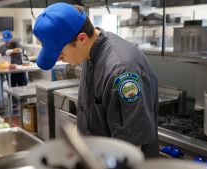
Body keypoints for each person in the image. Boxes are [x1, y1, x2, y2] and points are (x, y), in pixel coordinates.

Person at [33, 3, 159, 158]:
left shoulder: (122, 70)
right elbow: (87, 117)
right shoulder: (88, 54)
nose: (60, 59)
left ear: (81, 39)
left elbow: (130, 149)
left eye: (60, 53)